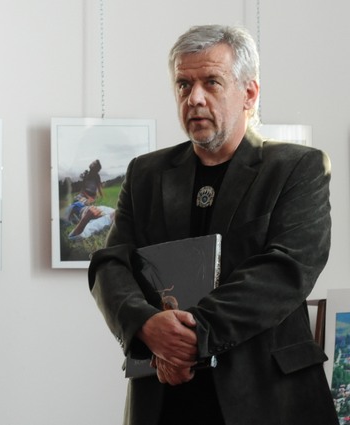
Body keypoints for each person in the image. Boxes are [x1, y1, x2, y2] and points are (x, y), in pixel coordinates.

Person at [88, 25, 337, 425]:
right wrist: (145, 325)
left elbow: (286, 269)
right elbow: (111, 264)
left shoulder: (297, 167)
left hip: (269, 397)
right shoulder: (145, 173)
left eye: (211, 82)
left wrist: (190, 337)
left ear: (249, 93)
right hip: (165, 398)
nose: (195, 98)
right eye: (183, 85)